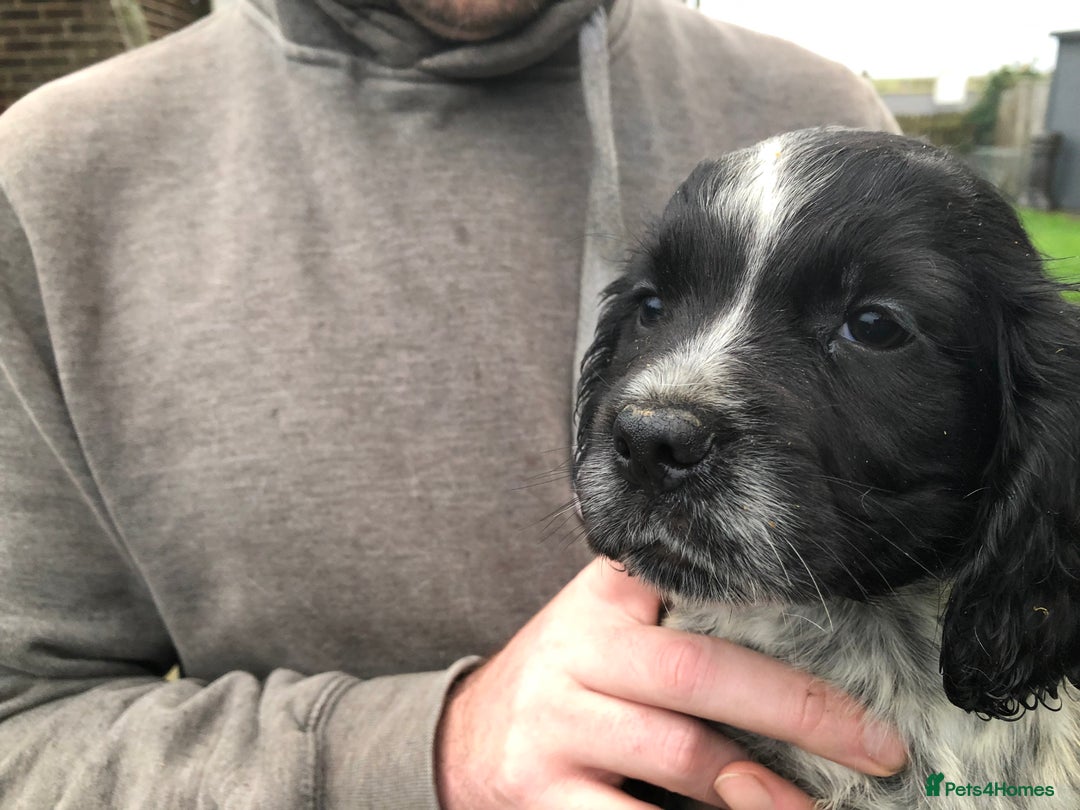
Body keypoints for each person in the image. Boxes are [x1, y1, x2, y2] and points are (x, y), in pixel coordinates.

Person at [0, 0, 905, 807]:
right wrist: (427, 752)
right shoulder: (52, 176)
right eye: (658, 310)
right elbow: (21, 731)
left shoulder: (821, 115)